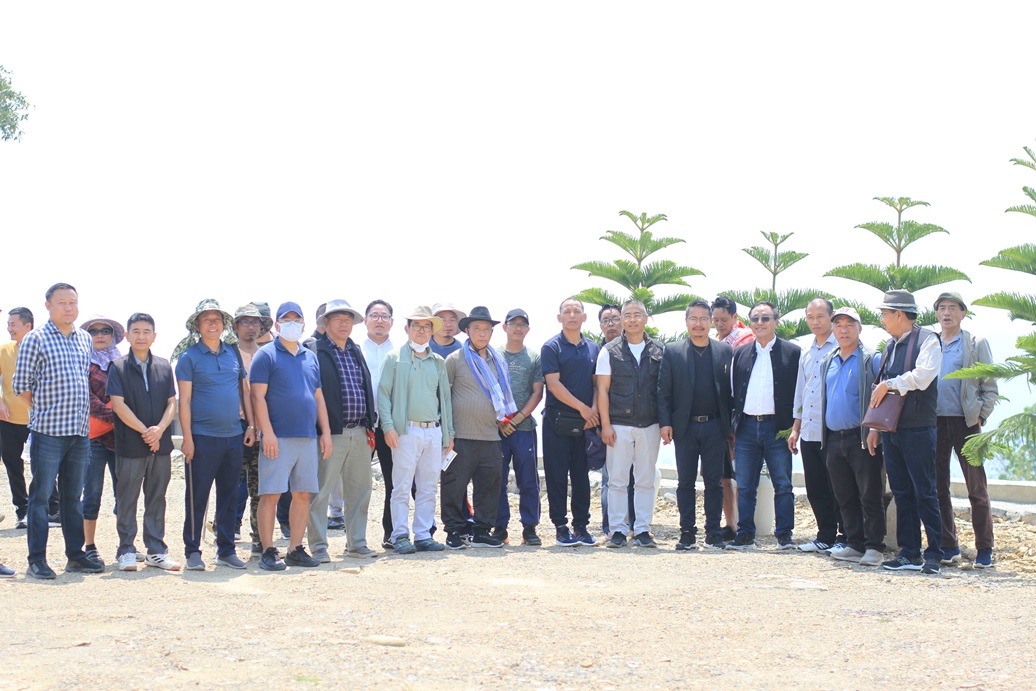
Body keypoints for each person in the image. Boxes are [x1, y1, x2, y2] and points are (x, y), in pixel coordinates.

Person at [13, 283, 103, 579]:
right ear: (48, 306)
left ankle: (75, 556)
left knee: (72, 497)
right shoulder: (35, 339)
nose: (68, 307)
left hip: (79, 433)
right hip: (48, 432)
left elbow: (82, 380)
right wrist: (45, 409)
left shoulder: (84, 339)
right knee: (40, 497)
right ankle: (37, 559)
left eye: (72, 302)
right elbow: (21, 386)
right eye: (62, 302)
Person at [173, 299, 255, 571]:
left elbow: (244, 391)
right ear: (197, 326)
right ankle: (192, 551)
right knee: (197, 497)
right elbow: (184, 401)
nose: (212, 323)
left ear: (224, 325)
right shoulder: (189, 358)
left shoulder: (232, 352)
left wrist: (251, 426)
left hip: (233, 436)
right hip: (201, 437)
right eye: (206, 319)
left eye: (217, 319)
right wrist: (187, 439)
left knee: (229, 496)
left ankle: (226, 550)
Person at [250, 302, 332, 571]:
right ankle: (268, 551)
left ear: (304, 325)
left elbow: (318, 397)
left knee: (303, 494)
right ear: (277, 324)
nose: (292, 324)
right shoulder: (265, 355)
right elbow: (257, 397)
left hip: (307, 437)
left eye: (297, 319)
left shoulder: (310, 357)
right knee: (271, 494)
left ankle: (295, 548)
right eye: (286, 320)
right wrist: (267, 433)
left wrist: (325, 432)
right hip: (278, 437)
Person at [867, 290, 943, 574]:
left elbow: (923, 377)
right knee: (901, 491)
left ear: (899, 314)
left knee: (925, 491)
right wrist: (875, 427)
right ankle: (909, 553)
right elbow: (882, 391)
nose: (882, 319)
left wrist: (891, 384)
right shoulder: (890, 345)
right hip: (892, 429)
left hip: (918, 428)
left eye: (884, 314)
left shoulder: (928, 340)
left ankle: (934, 554)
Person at [305, 299, 379, 561]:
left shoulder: (355, 350)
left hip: (359, 431)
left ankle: (356, 544)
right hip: (329, 433)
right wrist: (320, 430)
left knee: (360, 491)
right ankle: (318, 547)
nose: (344, 324)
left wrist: (370, 423)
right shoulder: (314, 350)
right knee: (320, 492)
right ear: (325, 322)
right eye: (338, 319)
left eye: (348, 319)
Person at [377, 306, 455, 554]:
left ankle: (423, 535)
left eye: (426, 326)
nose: (421, 330)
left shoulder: (438, 362)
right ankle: (400, 535)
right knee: (401, 486)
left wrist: (449, 434)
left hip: (433, 431)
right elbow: (383, 394)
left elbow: (445, 400)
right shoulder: (394, 358)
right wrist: (388, 427)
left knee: (428, 486)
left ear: (432, 331)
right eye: (416, 326)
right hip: (405, 430)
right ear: (407, 329)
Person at [107, 313, 180, 571]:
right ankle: (126, 549)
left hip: (161, 444)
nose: (141, 336)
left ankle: (156, 550)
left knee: (157, 497)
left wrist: (159, 430)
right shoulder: (117, 367)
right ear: (127, 336)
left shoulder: (164, 366)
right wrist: (145, 432)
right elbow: (118, 405)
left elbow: (172, 403)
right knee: (127, 497)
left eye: (146, 331)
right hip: (130, 444)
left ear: (154, 336)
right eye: (136, 331)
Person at [658, 300, 733, 550]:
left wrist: (730, 428)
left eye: (703, 319)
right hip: (685, 428)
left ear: (711, 322)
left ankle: (713, 533)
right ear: (686, 321)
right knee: (685, 482)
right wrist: (665, 423)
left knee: (714, 482)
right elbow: (663, 391)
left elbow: (731, 393)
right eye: (693, 318)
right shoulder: (673, 351)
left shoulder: (724, 351)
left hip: (715, 427)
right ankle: (687, 533)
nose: (698, 324)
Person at [727, 301, 801, 551]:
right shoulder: (740, 353)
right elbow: (733, 393)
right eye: (755, 319)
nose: (760, 323)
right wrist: (733, 427)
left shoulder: (793, 353)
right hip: (746, 427)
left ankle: (784, 535)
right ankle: (745, 534)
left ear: (776, 322)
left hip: (777, 428)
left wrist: (795, 428)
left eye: (765, 318)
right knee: (745, 485)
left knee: (783, 484)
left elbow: (800, 393)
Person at [932, 292, 997, 569]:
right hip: (934, 423)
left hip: (966, 423)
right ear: (937, 313)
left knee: (976, 488)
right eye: (942, 308)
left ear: (963, 313)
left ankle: (985, 548)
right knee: (938, 487)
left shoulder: (974, 343)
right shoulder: (931, 343)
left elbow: (989, 386)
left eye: (952, 308)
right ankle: (949, 546)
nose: (947, 313)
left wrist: (980, 416)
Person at [818, 307, 885, 566]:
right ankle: (854, 543)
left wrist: (875, 429)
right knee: (843, 495)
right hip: (834, 437)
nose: (843, 330)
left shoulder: (871, 359)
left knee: (870, 493)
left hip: (862, 436)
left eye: (849, 324)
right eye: (839, 325)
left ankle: (875, 546)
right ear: (833, 329)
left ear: (860, 328)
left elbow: (883, 397)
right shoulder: (828, 360)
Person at [444, 306, 513, 549]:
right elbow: (444, 397)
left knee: (489, 486)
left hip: (491, 436)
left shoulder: (498, 361)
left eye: (486, 329)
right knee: (454, 485)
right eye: (477, 329)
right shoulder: (454, 360)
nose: (482, 333)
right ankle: (453, 531)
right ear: (467, 331)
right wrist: (447, 434)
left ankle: (482, 531)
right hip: (461, 436)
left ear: (492, 333)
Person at [597, 299, 663, 548]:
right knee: (617, 481)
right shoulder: (609, 351)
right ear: (622, 319)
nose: (633, 319)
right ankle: (617, 531)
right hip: (618, 425)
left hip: (650, 424)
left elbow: (664, 391)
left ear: (646, 318)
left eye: (638, 314)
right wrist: (605, 425)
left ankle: (643, 529)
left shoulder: (659, 351)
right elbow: (602, 390)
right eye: (628, 315)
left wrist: (665, 424)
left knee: (646, 479)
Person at [541, 298, 600, 547]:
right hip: (557, 422)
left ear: (584, 317)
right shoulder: (551, 347)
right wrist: (584, 409)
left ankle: (581, 527)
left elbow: (598, 384)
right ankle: (560, 527)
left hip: (586, 423)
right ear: (559, 318)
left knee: (581, 476)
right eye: (567, 311)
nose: (572, 315)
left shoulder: (594, 348)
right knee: (556, 476)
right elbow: (553, 384)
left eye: (577, 311)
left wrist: (594, 411)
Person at [787, 298, 845, 553]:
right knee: (816, 486)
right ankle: (825, 535)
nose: (815, 322)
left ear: (831, 317)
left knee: (838, 486)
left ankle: (845, 535)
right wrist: (795, 428)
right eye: (810, 317)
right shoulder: (807, 353)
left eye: (820, 316)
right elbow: (801, 392)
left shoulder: (841, 348)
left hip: (832, 430)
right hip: (809, 430)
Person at [495, 308, 545, 546]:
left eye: (522, 324)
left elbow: (538, 392)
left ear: (528, 329)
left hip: (524, 428)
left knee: (528, 479)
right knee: (497, 479)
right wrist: (499, 421)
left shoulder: (534, 357)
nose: (517, 328)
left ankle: (529, 528)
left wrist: (515, 420)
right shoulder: (492, 355)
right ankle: (499, 527)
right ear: (504, 327)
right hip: (496, 429)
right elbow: (487, 389)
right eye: (513, 323)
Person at [80, 315, 124, 566]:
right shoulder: (81, 362)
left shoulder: (123, 364)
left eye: (105, 331)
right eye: (94, 331)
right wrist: (116, 415)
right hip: (93, 438)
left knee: (124, 494)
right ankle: (89, 547)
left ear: (113, 336)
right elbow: (86, 397)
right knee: (92, 494)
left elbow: (132, 394)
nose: (99, 335)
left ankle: (125, 545)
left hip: (122, 440)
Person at [231, 302, 273, 556]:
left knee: (260, 488)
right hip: (234, 428)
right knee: (230, 486)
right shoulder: (227, 354)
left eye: (255, 322)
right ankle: (226, 538)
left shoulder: (268, 354)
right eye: (245, 322)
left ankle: (259, 538)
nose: (250, 327)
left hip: (264, 429)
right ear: (236, 326)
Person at [712, 295, 754, 540]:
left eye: (724, 319)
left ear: (735, 317)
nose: (719, 324)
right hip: (719, 418)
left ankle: (744, 526)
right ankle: (730, 524)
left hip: (740, 417)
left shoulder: (745, 339)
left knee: (742, 476)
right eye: (715, 319)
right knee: (723, 475)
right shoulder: (715, 342)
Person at [362, 299, 397, 549]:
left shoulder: (400, 352)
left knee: (393, 481)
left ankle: (391, 533)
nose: (379, 320)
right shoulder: (354, 349)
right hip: (361, 424)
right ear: (365, 320)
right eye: (374, 316)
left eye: (384, 316)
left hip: (390, 426)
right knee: (357, 483)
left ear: (392, 322)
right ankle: (356, 537)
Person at [597, 303, 633, 535]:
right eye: (605, 320)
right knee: (610, 478)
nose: (610, 324)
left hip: (636, 423)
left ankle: (635, 525)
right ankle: (610, 526)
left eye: (614, 319)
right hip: (606, 425)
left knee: (636, 477)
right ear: (600, 325)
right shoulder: (596, 351)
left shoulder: (636, 349)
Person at [0, 306, 37, 530]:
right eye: (8, 324)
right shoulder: (4, 350)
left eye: (13, 324)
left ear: (27, 326)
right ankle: (22, 511)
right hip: (8, 421)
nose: (9, 328)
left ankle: (51, 509)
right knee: (14, 468)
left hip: (39, 420)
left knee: (43, 468)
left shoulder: (42, 349)